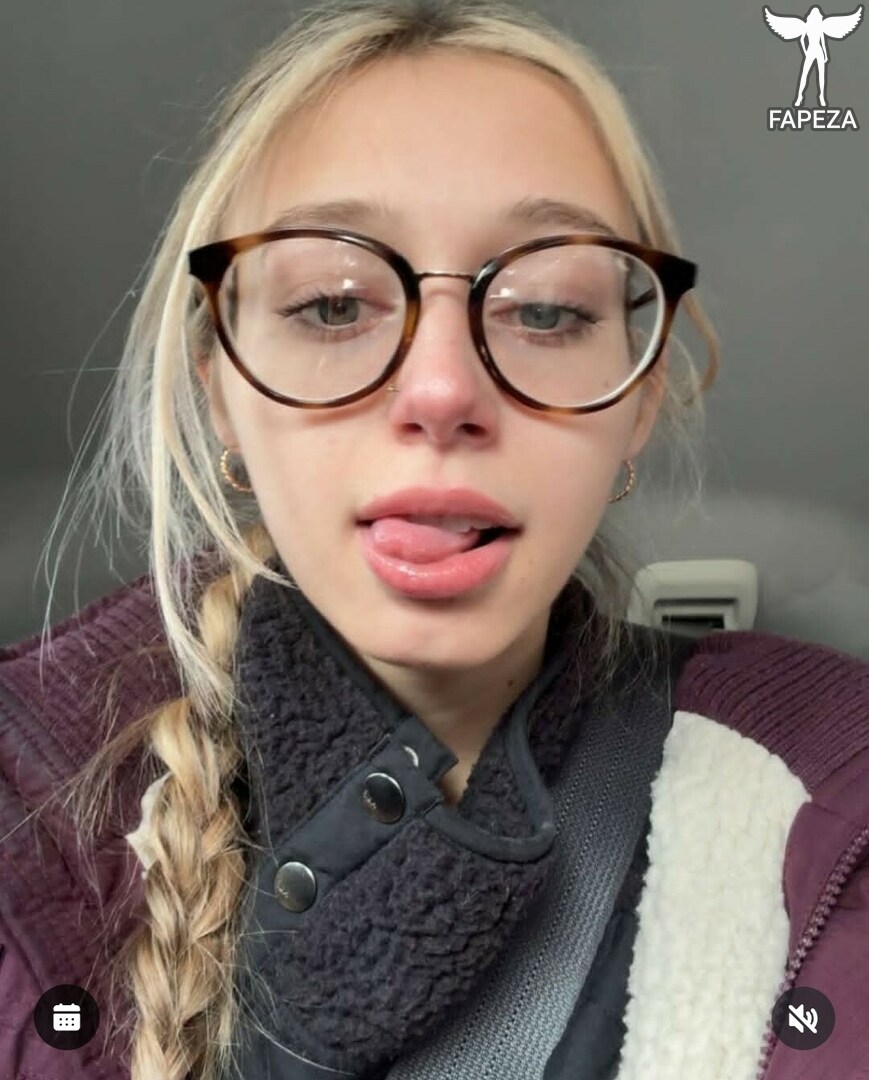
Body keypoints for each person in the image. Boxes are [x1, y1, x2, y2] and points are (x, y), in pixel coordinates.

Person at [1, 2, 866, 1079]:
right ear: (220, 384)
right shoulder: (25, 819)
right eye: (332, 305)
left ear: (638, 398)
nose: (442, 389)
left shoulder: (829, 797)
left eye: (544, 310)